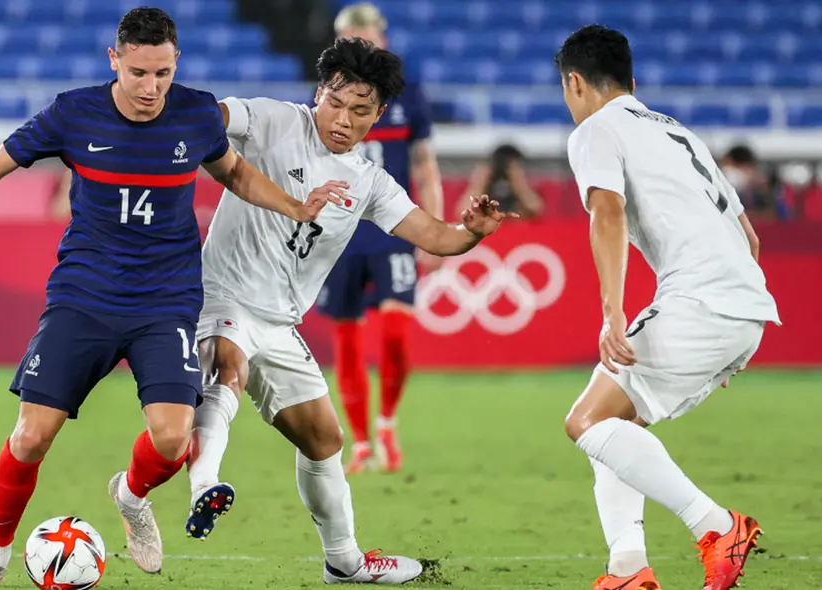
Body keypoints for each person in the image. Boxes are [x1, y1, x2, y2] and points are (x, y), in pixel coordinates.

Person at [0, 8, 337, 588]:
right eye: (139, 73)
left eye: (163, 73)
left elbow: (234, 172)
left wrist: (293, 205)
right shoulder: (73, 112)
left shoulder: (197, 112)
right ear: (114, 61)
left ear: (176, 64)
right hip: (85, 296)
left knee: (173, 439)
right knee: (31, 435)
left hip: (167, 301)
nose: (151, 88)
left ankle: (131, 495)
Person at [182, 38, 517, 585]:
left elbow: (436, 236)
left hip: (280, 322)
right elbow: (211, 114)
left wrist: (471, 232)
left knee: (324, 439)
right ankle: (205, 486)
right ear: (319, 92)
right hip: (223, 294)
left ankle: (344, 561)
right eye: (335, 103)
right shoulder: (273, 119)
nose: (343, 120)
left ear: (378, 114)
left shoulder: (368, 182)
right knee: (228, 368)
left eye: (360, 110)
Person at [556, 25, 780, 590]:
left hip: (701, 299)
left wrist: (612, 313)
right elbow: (750, 239)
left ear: (575, 83)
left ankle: (717, 526)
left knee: (587, 422)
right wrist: (731, 336)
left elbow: (607, 213)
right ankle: (627, 569)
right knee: (617, 425)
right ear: (631, 83)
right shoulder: (680, 133)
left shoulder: (595, 130)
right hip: (743, 304)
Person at [316, 2, 445, 474]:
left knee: (394, 331)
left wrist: (434, 228)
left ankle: (387, 421)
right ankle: (362, 442)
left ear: (381, 38)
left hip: (394, 227)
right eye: (352, 38)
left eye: (367, 36)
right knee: (347, 338)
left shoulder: (408, 95)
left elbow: (424, 164)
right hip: (340, 233)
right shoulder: (325, 95)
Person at [462, 144, 544, 219]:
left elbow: (535, 209)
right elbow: (465, 213)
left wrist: (519, 182)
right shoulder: (485, 183)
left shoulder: (527, 184)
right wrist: (479, 184)